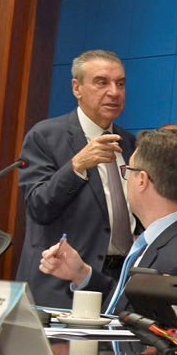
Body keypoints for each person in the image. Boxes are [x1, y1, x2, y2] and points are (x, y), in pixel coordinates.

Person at [38, 128, 177, 313]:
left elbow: (146, 325)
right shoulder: (165, 238)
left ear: (142, 180)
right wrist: (81, 273)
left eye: (128, 170)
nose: (126, 179)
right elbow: (126, 304)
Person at [16, 50, 137, 308]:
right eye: (101, 82)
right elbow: (38, 206)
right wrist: (76, 166)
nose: (114, 92)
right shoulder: (46, 136)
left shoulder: (129, 143)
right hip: (60, 285)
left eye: (120, 83)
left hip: (115, 284)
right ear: (76, 88)